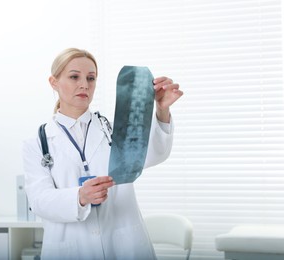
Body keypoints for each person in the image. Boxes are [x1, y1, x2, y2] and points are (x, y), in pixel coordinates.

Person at [23, 47, 183, 260]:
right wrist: (79, 197)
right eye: (74, 77)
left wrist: (162, 110)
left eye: (91, 78)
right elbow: (39, 201)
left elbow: (152, 155)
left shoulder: (115, 129)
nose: (84, 85)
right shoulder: (36, 143)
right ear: (54, 82)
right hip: (71, 248)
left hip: (125, 245)